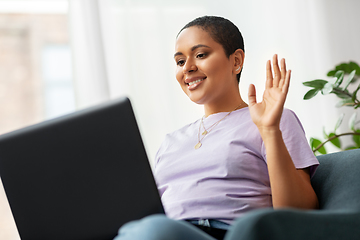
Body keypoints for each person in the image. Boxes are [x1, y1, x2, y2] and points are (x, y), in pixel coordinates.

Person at [114, 16, 319, 240]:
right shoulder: (170, 142)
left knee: (155, 230)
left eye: (200, 55)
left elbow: (301, 214)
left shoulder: (274, 120)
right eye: (180, 61)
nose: (188, 68)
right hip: (161, 231)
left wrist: (269, 130)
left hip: (223, 233)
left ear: (236, 61)